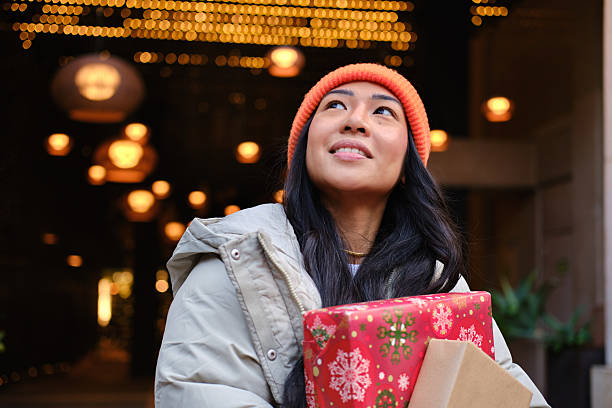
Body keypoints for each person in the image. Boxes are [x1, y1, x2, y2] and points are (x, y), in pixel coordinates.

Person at [154, 63, 550, 407]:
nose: (354, 120)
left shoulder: (440, 283)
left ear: (409, 165)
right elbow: (199, 392)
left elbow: (505, 388)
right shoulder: (237, 259)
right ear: (304, 149)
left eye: (383, 112)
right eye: (335, 106)